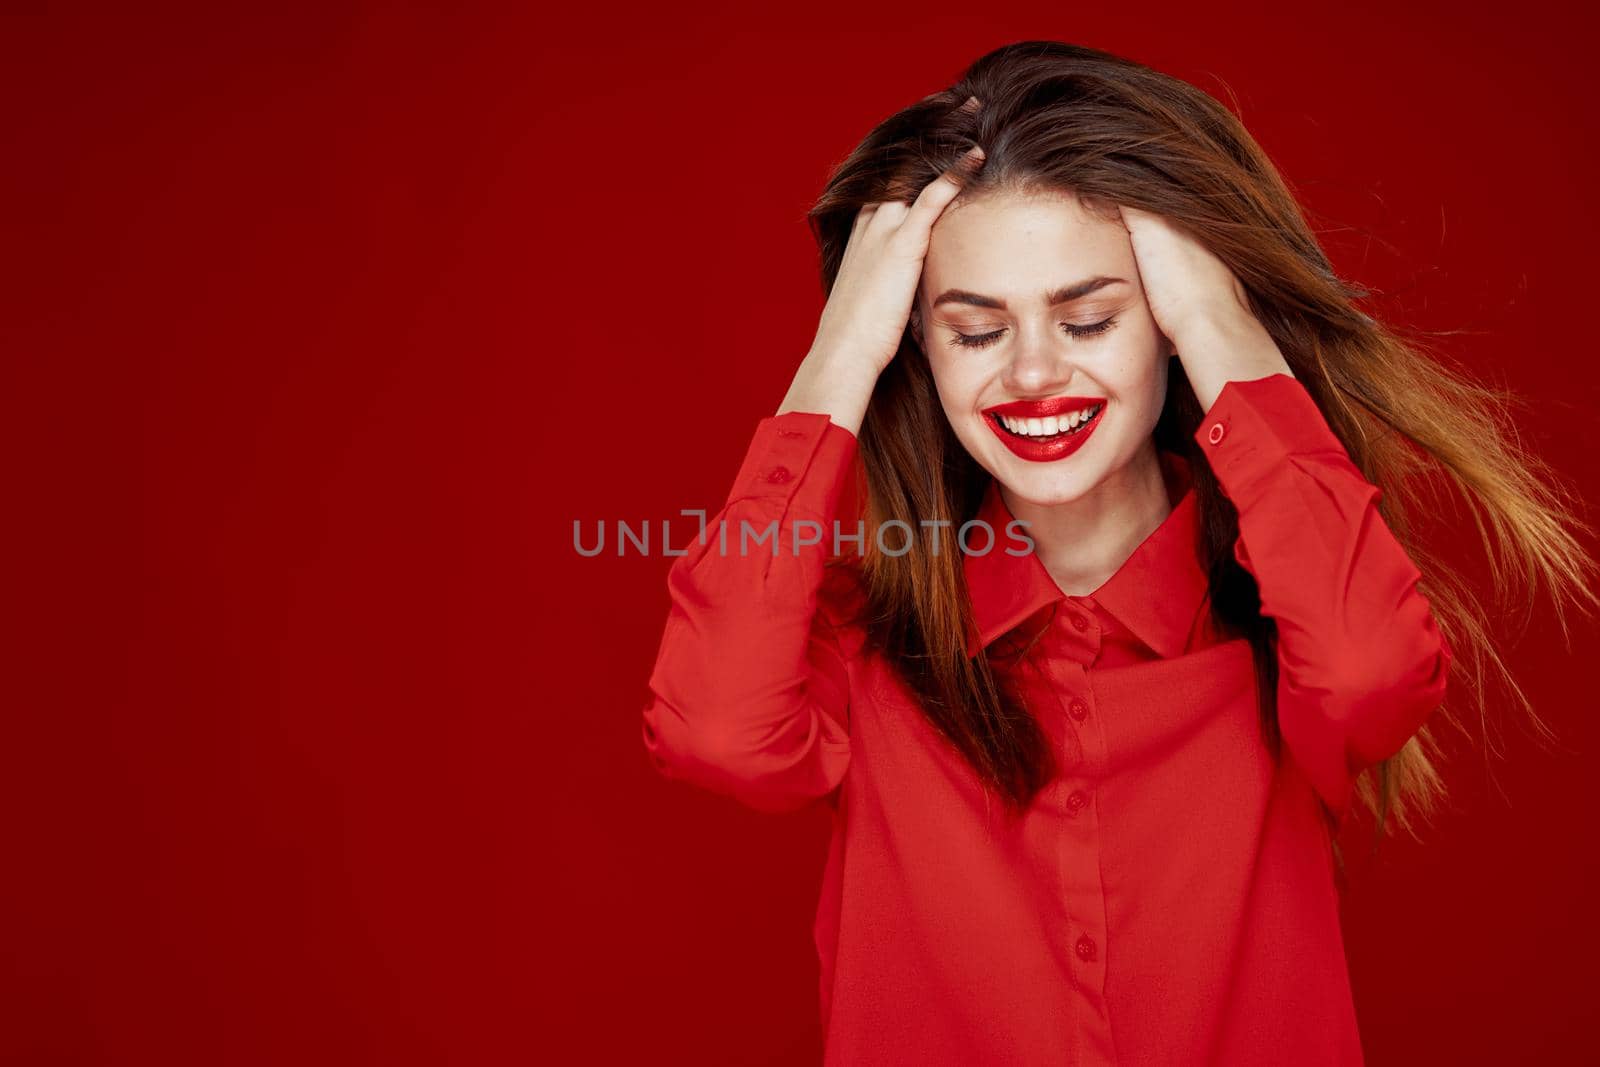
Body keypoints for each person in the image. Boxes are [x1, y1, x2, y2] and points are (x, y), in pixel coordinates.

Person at [639, 40, 1598, 1066]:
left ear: (1168, 327)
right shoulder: (867, 646)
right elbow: (717, 729)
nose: (1035, 372)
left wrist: (1219, 320)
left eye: (1090, 318)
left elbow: (1372, 670)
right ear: (914, 344)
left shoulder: (1283, 620)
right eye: (973, 332)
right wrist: (839, 357)